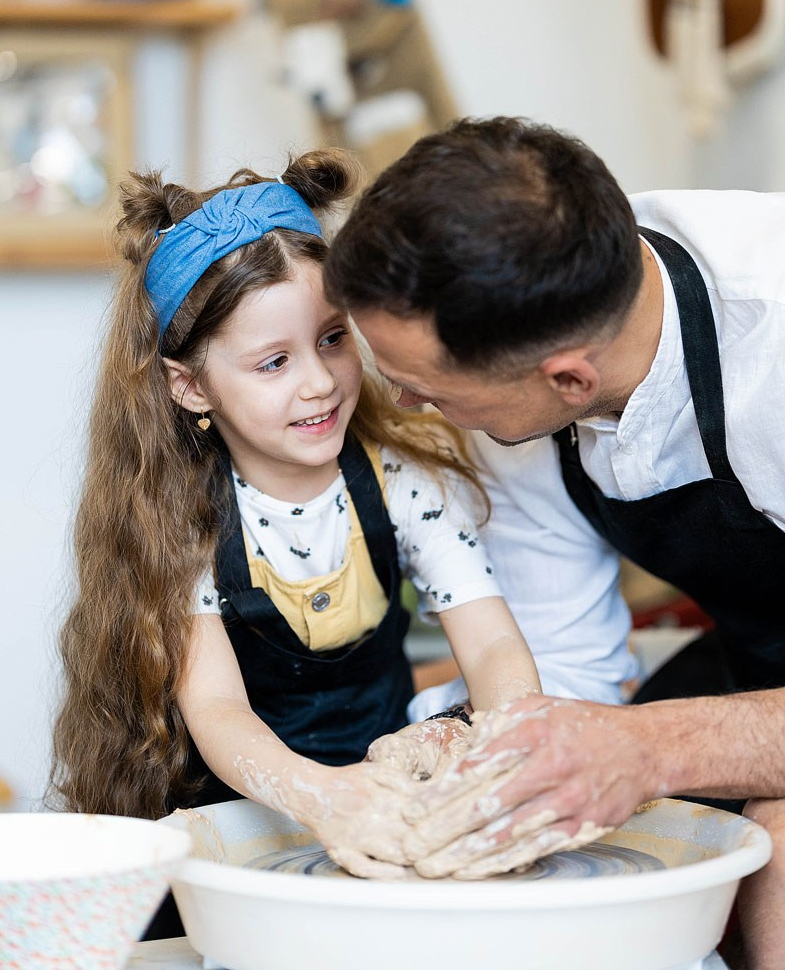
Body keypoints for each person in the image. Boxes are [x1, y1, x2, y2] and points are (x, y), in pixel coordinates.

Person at [323, 116, 785, 965]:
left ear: (568, 377)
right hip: (759, 661)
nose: (404, 406)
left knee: (778, 850)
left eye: (424, 391)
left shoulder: (775, 346)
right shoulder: (534, 348)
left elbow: (629, 743)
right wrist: (464, 751)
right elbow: (564, 671)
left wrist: (651, 749)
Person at [48, 152, 544, 884]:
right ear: (189, 387)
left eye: (333, 339)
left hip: (387, 791)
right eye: (273, 363)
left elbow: (497, 647)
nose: (319, 382)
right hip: (248, 815)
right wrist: (325, 799)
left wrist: (508, 761)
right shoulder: (180, 522)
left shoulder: (404, 484)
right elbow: (218, 710)